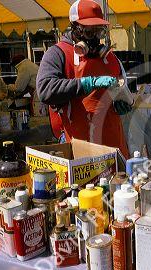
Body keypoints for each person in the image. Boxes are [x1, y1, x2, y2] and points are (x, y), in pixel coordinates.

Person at [37, 0, 131, 157]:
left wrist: (122, 104)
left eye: (99, 31)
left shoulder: (111, 58)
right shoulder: (57, 54)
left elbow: (124, 90)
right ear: (75, 28)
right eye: (89, 32)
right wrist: (87, 83)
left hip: (113, 142)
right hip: (79, 144)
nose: (94, 37)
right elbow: (45, 89)